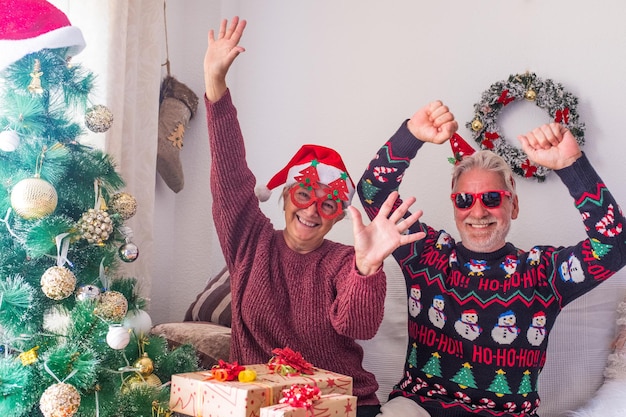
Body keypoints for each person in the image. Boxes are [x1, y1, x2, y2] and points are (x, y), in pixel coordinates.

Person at [203, 17, 425, 417]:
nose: (310, 210)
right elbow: (230, 177)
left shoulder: (342, 260)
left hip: (342, 404)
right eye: (304, 194)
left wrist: (366, 266)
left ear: (340, 216)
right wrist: (216, 89)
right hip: (263, 402)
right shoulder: (249, 242)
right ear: (286, 198)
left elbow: (358, 327)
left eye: (327, 203)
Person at [358, 100, 626, 417]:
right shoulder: (426, 253)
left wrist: (571, 164)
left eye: (491, 198)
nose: (478, 211)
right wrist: (411, 134)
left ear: (512, 206)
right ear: (455, 206)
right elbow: (373, 190)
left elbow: (614, 245)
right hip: (419, 407)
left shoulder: (543, 272)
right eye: (464, 200)